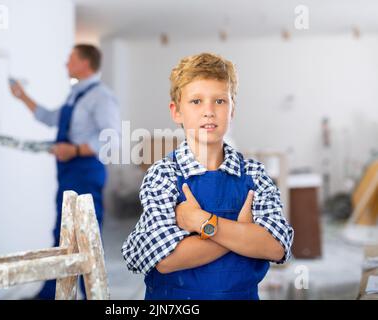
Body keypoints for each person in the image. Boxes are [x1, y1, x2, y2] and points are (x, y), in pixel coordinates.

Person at [121, 52, 294, 300]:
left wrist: (201, 221)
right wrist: (243, 233)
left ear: (232, 108)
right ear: (176, 111)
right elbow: (167, 260)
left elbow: (277, 246)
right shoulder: (163, 175)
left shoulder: (255, 174)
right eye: (196, 101)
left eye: (220, 101)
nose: (209, 111)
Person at [10, 44, 120, 299]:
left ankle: (89, 293)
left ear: (85, 63)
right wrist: (22, 96)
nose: (65, 63)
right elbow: (51, 118)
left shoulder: (101, 97)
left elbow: (112, 139)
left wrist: (75, 150)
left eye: (70, 59)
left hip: (86, 171)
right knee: (64, 233)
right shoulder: (75, 95)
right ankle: (57, 293)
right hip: (69, 172)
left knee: (85, 236)